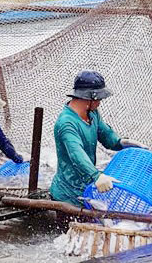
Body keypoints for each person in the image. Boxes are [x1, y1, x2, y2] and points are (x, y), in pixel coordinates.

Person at [49, 71, 145, 207]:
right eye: (98, 98)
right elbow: (76, 154)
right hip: (67, 195)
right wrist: (97, 176)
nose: (100, 102)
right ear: (89, 97)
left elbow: (107, 137)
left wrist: (122, 143)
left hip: (86, 188)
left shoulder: (92, 113)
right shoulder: (66, 123)